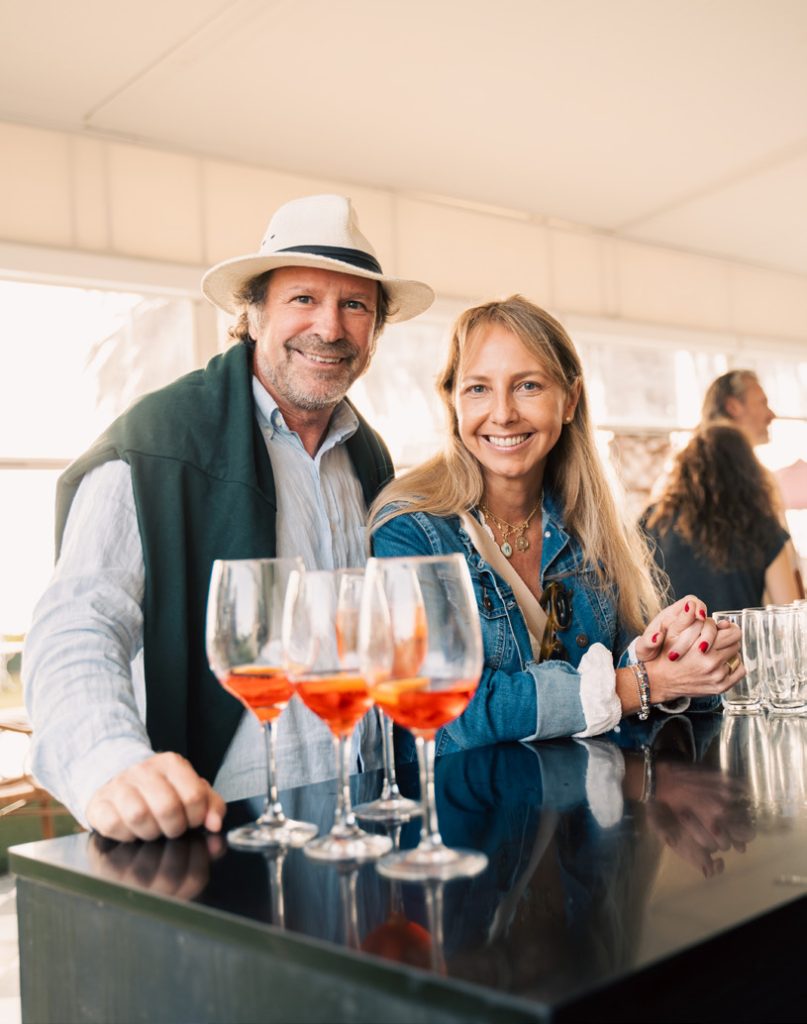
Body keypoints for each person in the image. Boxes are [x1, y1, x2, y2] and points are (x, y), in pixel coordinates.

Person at [23, 193, 434, 842]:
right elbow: (79, 622)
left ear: (375, 331)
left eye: (355, 305)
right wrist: (109, 763)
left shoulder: (368, 454)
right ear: (254, 313)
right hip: (222, 832)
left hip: (364, 817)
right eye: (303, 298)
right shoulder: (158, 440)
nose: (330, 328)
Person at [369, 295, 742, 754]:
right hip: (460, 798)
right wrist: (641, 684)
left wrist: (676, 655)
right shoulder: (410, 528)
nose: (502, 413)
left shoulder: (589, 524)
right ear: (452, 402)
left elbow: (633, 678)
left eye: (527, 386)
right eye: (478, 388)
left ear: (570, 399)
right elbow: (449, 710)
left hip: (582, 795)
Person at [642, 422, 799, 611]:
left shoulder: (653, 519)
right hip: (737, 631)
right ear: (747, 472)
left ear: (685, 469)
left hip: (669, 631)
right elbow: (787, 611)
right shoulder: (762, 527)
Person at [700, 368, 804, 598]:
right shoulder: (756, 481)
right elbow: (785, 558)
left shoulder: (680, 483)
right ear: (733, 407)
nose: (771, 414)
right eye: (762, 402)